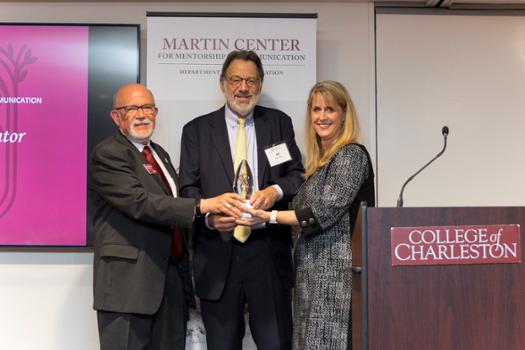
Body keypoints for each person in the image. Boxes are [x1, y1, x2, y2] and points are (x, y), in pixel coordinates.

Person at [89, 83, 244, 350]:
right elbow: (141, 203)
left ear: (156, 112)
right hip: (128, 287)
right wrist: (204, 205)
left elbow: (174, 209)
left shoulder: (159, 154)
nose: (141, 114)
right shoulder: (109, 153)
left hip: (170, 282)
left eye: (147, 107)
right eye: (132, 108)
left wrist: (209, 219)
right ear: (116, 116)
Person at [178, 50, 304, 350]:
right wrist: (209, 217)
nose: (243, 87)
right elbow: (188, 189)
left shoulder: (279, 123)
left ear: (260, 85)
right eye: (236, 79)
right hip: (217, 254)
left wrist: (275, 192)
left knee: (277, 344)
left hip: (268, 253)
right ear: (223, 83)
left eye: (251, 80)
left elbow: (297, 175)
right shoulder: (196, 130)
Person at [241, 80, 375, 350]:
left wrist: (269, 217)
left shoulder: (351, 156)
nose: (322, 117)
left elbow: (320, 213)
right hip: (310, 276)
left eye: (330, 110)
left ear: (344, 114)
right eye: (316, 110)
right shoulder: (319, 164)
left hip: (336, 279)